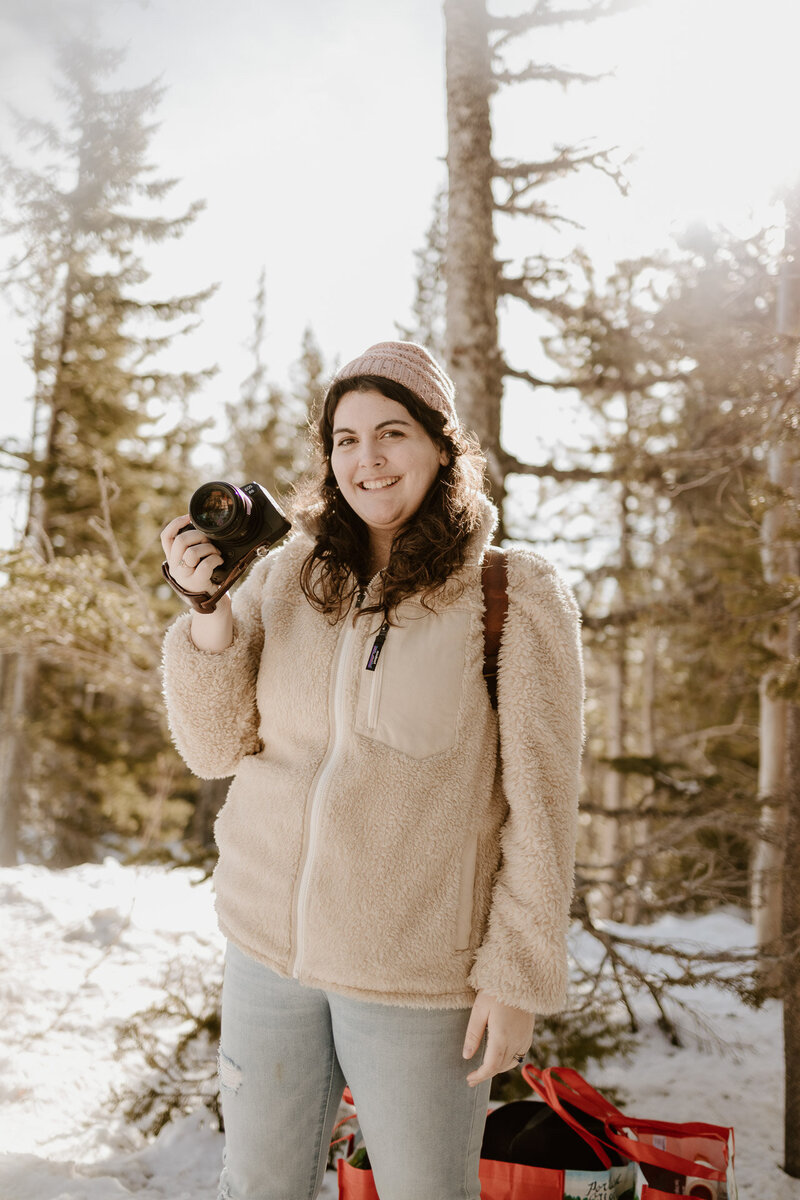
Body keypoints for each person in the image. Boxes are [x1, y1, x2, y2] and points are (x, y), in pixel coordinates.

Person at [160, 341, 584, 1200]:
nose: (368, 459)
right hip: (266, 956)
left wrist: (516, 979)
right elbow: (213, 748)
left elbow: (541, 808)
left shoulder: (511, 593)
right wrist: (208, 616)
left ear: (441, 445)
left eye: (392, 433)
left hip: (418, 978)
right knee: (257, 1189)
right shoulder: (288, 577)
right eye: (346, 440)